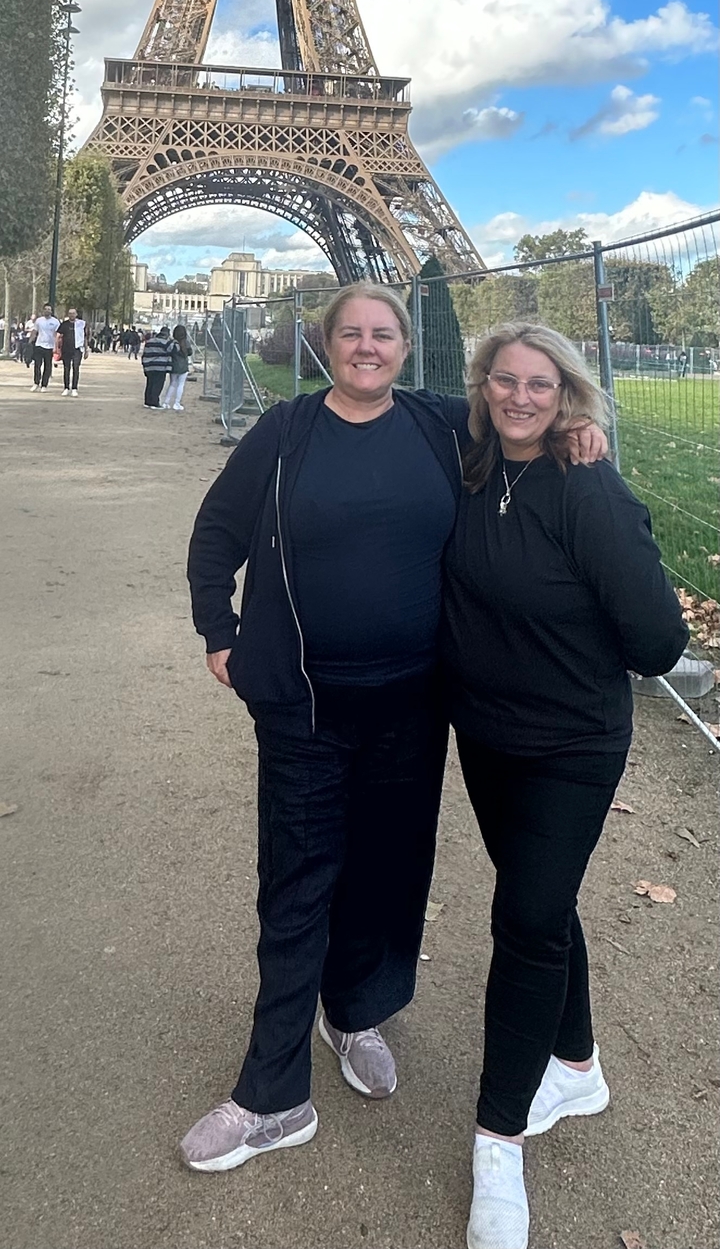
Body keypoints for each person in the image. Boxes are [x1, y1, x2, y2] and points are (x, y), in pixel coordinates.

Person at [181, 284, 606, 1180]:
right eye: (352, 333)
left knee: (387, 873)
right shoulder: (286, 431)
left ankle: (356, 1009)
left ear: (406, 347)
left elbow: (522, 421)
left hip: (413, 705)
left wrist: (576, 429)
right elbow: (216, 532)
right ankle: (273, 1092)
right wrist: (219, 630)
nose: (367, 347)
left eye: (383, 333)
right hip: (304, 705)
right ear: (326, 343)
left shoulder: (441, 425)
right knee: (296, 885)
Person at [439, 321, 688, 1249]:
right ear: (482, 386)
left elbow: (658, 640)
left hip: (571, 745)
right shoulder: (469, 464)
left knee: (525, 919)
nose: (519, 397)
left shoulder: (587, 485)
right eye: (503, 380)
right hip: (487, 736)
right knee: (539, 905)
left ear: (568, 393)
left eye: (540, 384)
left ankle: (498, 1140)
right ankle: (576, 1065)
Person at [161, 322, 191, 410]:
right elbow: (190, 352)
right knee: (181, 385)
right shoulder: (186, 343)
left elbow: (168, 352)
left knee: (172, 384)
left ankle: (166, 402)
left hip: (173, 365)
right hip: (183, 366)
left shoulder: (172, 343)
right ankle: (177, 403)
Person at [29, 304, 60, 391]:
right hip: (39, 345)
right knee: (37, 365)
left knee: (48, 366)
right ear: (43, 310)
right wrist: (30, 341)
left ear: (51, 311)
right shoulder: (39, 320)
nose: (47, 311)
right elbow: (34, 331)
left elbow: (57, 334)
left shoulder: (55, 322)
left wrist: (56, 346)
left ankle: (44, 385)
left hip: (49, 346)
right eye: (46, 309)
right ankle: (36, 383)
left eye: (49, 309)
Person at [56, 308, 85, 396]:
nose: (71, 315)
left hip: (77, 349)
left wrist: (86, 349)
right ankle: (66, 387)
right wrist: (57, 348)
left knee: (76, 368)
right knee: (66, 368)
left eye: (73, 313)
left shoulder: (81, 324)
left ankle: (74, 388)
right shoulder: (64, 324)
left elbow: (85, 336)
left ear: (76, 314)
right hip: (66, 349)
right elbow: (58, 335)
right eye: (70, 313)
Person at [141, 324, 172, 406]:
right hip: (160, 367)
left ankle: (147, 401)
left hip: (149, 366)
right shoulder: (166, 343)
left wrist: (145, 366)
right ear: (167, 334)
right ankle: (154, 402)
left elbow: (144, 354)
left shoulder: (149, 342)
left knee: (150, 384)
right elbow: (173, 350)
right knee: (158, 385)